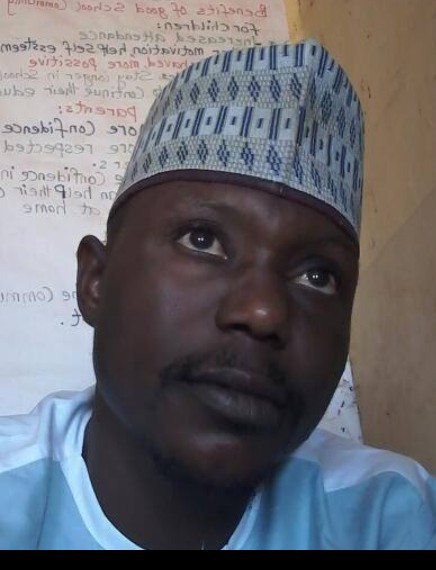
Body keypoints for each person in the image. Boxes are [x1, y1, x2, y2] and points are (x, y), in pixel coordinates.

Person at [0, 39, 434, 551]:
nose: (264, 311)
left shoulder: (390, 517)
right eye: (202, 240)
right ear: (95, 280)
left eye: (318, 276)